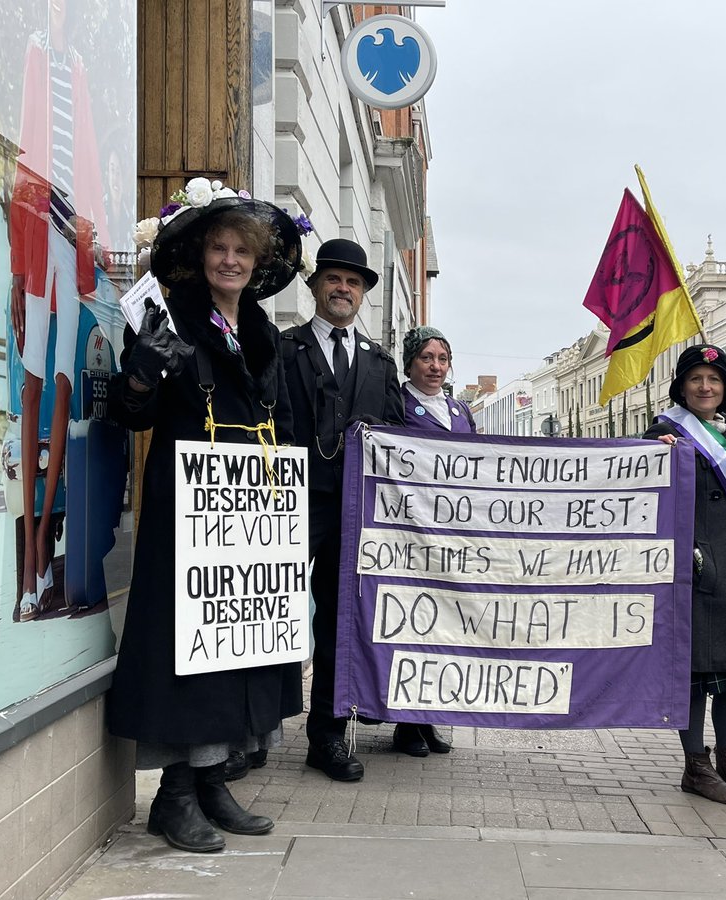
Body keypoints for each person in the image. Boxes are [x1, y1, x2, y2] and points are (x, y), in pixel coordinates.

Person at [106, 182, 304, 853]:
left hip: (248, 511)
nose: (229, 260)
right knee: (186, 649)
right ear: (201, 255)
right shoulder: (173, 321)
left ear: (254, 263)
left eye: (239, 251)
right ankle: (176, 796)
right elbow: (131, 414)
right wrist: (140, 374)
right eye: (218, 247)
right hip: (187, 509)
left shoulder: (262, 332)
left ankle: (217, 779)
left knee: (236, 642)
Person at [275, 238, 404, 781]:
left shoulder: (379, 363)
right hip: (288, 504)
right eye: (333, 279)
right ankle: (254, 729)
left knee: (336, 622)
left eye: (353, 282)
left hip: (353, 514)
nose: (342, 289)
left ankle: (325, 736)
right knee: (268, 612)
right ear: (315, 286)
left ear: (364, 293)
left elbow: (400, 437)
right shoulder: (284, 349)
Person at [10, 0, 109, 620]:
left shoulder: (76, 65)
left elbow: (88, 155)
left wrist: (89, 232)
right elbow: (28, 138)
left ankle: (46, 543)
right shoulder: (37, 54)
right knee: (33, 374)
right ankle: (29, 565)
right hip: (38, 220)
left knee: (66, 380)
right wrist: (21, 262)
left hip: (71, 228)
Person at [645, 344, 726, 806]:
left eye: (715, 380)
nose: (706, 387)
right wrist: (651, 456)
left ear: (725, 388)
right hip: (696, 564)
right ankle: (695, 766)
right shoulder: (663, 431)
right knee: (698, 673)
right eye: (697, 379)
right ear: (681, 386)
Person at [388, 324, 471, 756]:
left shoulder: (459, 412)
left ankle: (429, 717)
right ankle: (405, 723)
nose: (435, 367)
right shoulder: (396, 404)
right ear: (410, 362)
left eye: (442, 358)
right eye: (426, 358)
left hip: (452, 539)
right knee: (412, 626)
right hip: (410, 535)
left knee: (444, 627)